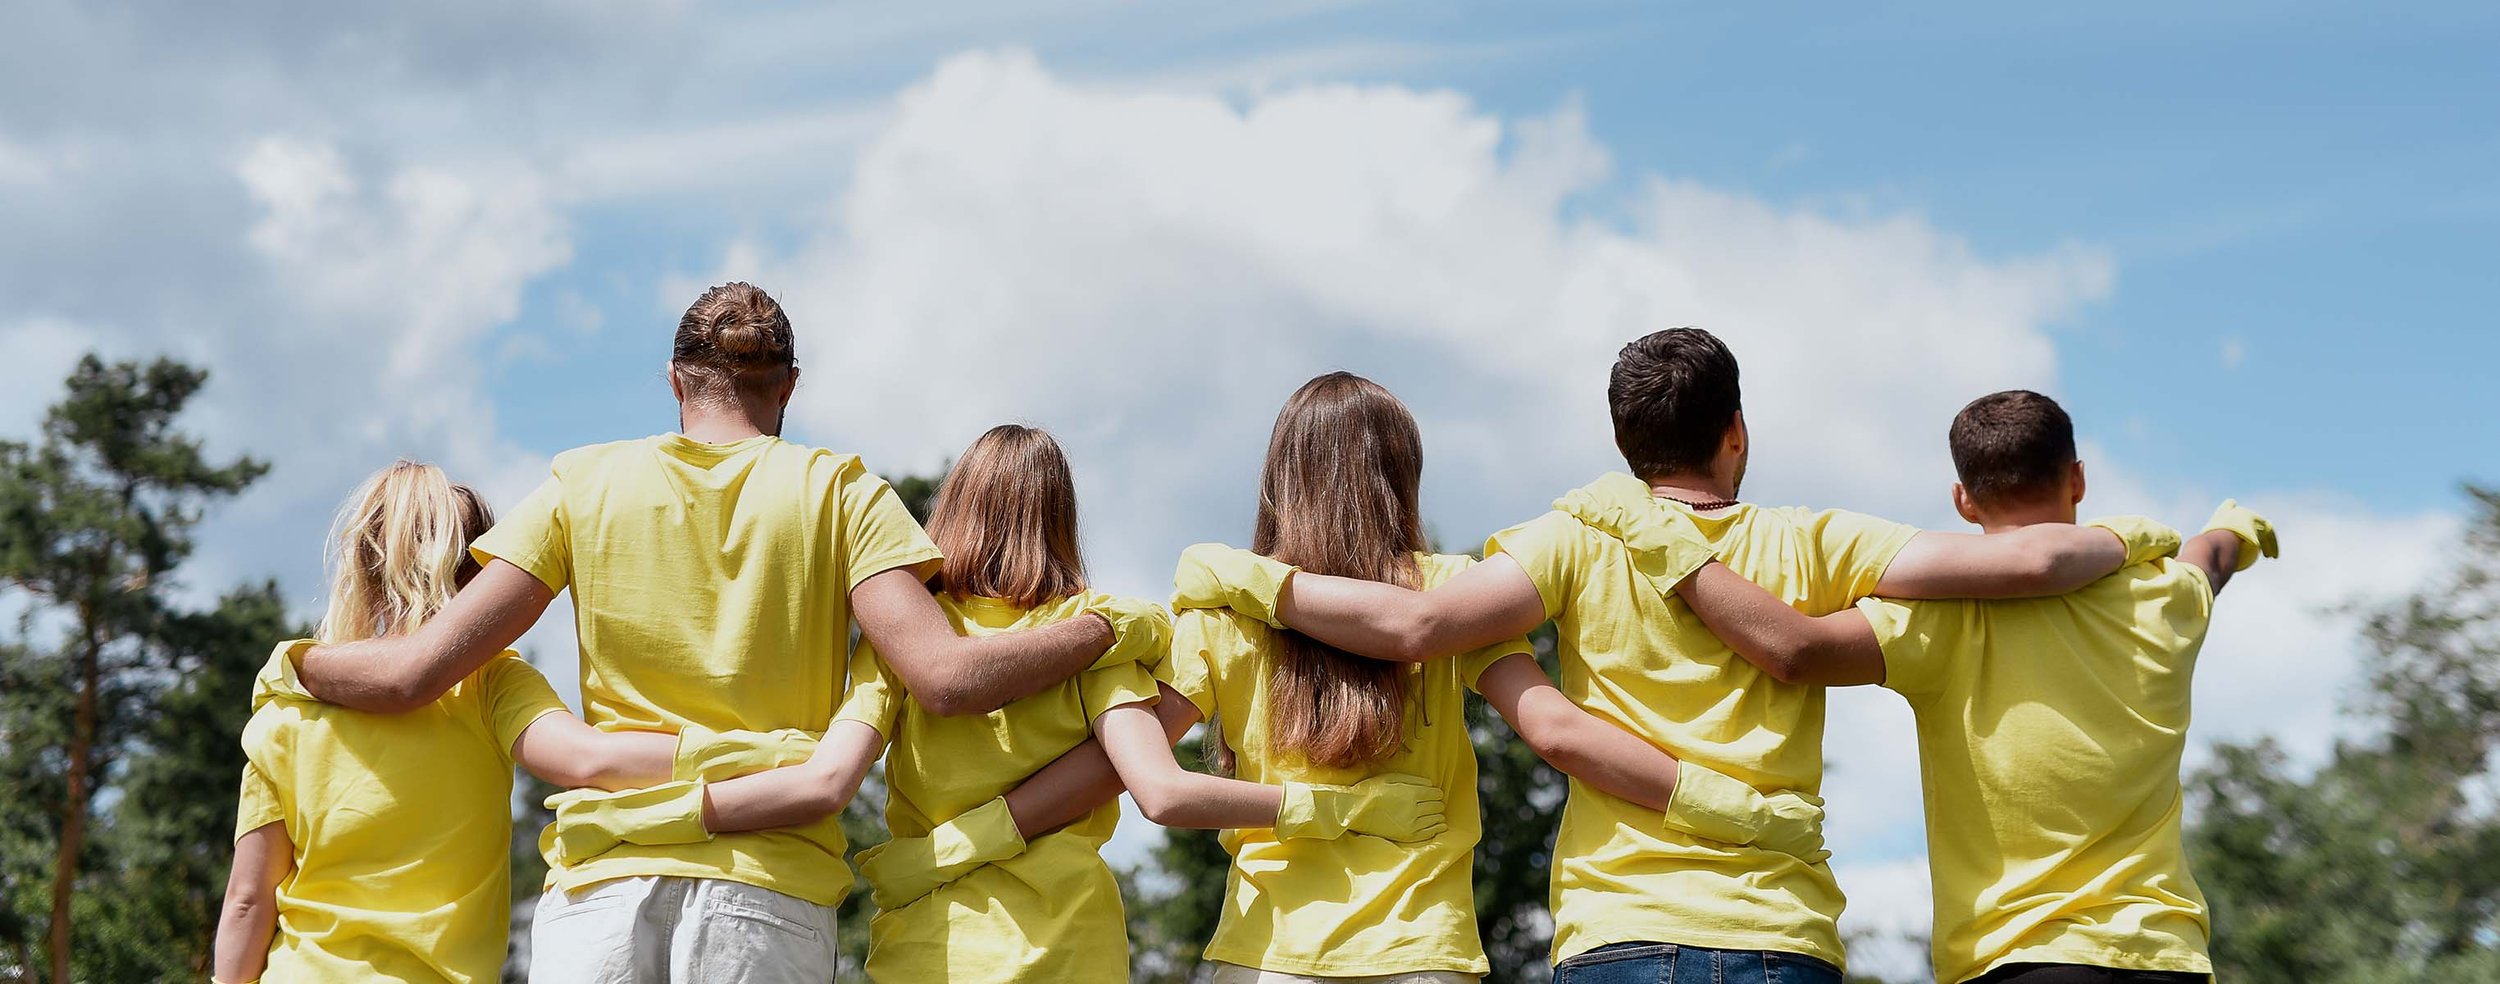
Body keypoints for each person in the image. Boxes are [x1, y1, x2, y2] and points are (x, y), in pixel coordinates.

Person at [1174, 330, 2178, 983]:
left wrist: (1244, 580)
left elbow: (1425, 635)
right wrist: (2142, 544)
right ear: (1735, 434)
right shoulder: (1822, 541)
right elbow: (2023, 563)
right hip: (1774, 930)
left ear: (1622, 443)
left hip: (1610, 930)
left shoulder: (1570, 538)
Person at [283, 283, 1157, 982]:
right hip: (765, 893)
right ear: (789, 385)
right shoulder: (842, 492)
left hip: (602, 891)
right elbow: (947, 678)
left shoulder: (581, 486)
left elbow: (412, 674)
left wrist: (292, 665)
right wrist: (1095, 631)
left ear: (674, 380)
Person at [1074, 372, 1817, 984]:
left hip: (1267, 956)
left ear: (1280, 480)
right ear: (1404, 477)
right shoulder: (1452, 594)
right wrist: (1734, 806)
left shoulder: (1221, 617)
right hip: (1423, 954)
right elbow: (1551, 725)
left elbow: (1149, 781)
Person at [1667, 389, 2276, 984]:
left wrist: (1670, 553)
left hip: (2015, 957)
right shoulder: (2166, 596)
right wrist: (2235, 528)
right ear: (2078, 480)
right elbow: (2211, 558)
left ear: (1963, 501)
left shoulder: (1943, 617)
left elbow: (1795, 649)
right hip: (2165, 955)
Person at [209, 462, 848, 983]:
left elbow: (247, 899)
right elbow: (592, 763)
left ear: (362, 559)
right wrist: (771, 754)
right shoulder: (489, 682)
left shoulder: (288, 706)